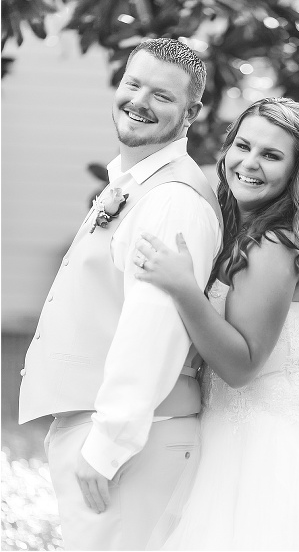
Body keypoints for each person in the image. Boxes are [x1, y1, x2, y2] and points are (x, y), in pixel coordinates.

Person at [133, 97, 299, 551]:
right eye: (243, 146)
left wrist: (184, 288)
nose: (250, 163)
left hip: (270, 445)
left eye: (271, 155)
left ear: (295, 171)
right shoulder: (237, 229)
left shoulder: (274, 244)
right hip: (224, 428)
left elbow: (243, 365)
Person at [17, 38, 223, 550]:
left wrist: (106, 447)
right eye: (133, 84)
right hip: (114, 431)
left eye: (161, 95)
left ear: (191, 112)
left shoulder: (173, 201)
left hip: (133, 440)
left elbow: (152, 330)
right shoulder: (134, 185)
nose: (139, 101)